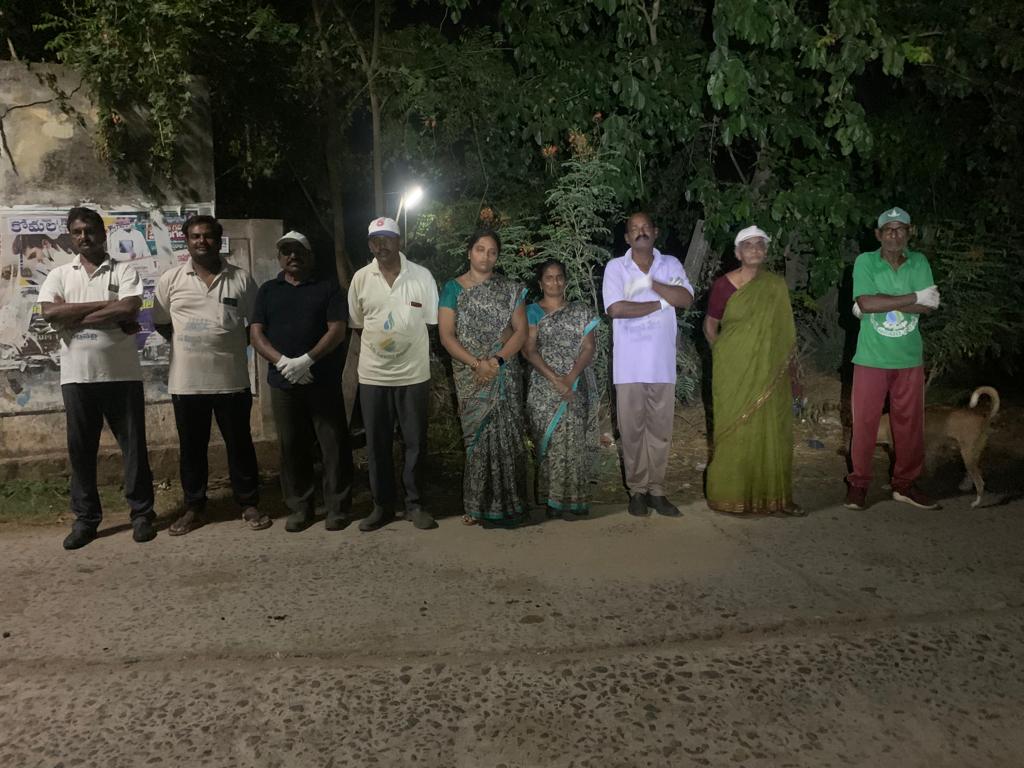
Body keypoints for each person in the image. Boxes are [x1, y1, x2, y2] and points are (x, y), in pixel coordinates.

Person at [38, 207, 156, 549]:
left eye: (89, 230)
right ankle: (86, 519)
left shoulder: (124, 270)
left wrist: (74, 318)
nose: (83, 237)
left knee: (133, 447)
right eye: (77, 232)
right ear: (70, 236)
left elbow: (128, 308)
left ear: (103, 234)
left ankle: (142, 514)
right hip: (77, 378)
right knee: (81, 451)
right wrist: (106, 307)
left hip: (122, 375)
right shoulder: (60, 274)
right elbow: (49, 312)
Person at [152, 215, 270, 534]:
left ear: (219, 241)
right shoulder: (171, 280)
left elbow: (256, 323)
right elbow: (161, 323)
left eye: (207, 236)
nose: (201, 241)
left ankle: (248, 503)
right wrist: (192, 343)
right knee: (192, 449)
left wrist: (226, 343)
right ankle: (194, 508)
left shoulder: (241, 279)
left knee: (240, 444)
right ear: (186, 241)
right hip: (187, 382)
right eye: (195, 236)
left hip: (232, 379)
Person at [250, 230, 354, 532]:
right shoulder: (268, 290)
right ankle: (300, 507)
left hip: (322, 380)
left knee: (333, 444)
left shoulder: (328, 288)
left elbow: (337, 330)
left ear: (310, 256)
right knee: (292, 446)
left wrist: (307, 360)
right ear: (279, 257)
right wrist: (283, 363)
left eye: (299, 251)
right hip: (283, 382)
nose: (293, 256)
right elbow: (256, 333)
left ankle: (337, 507)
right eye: (287, 251)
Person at [702, 226, 804, 516]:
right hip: (733, 372)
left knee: (774, 431)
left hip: (770, 372)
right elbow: (710, 325)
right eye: (748, 245)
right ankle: (730, 496)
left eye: (760, 244)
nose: (755, 249)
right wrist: (724, 355)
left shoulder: (775, 286)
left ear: (766, 251)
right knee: (734, 431)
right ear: (738, 253)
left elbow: (785, 334)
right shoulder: (723, 286)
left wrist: (789, 372)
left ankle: (776, 498)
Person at [347, 217, 439, 531]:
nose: (381, 245)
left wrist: (401, 347)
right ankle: (382, 506)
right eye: (375, 240)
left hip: (413, 374)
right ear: (369, 245)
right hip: (373, 376)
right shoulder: (361, 279)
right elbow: (358, 324)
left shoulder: (422, 277)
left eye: (387, 238)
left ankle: (415, 504)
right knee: (377, 445)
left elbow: (430, 322)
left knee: (415, 443)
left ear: (400, 241)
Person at [845, 207, 940, 510]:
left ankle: (905, 484)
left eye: (900, 229)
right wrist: (914, 297)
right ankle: (858, 484)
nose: (894, 235)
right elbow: (866, 302)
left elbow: (930, 306)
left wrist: (880, 301)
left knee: (909, 425)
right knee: (864, 424)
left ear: (909, 233)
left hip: (909, 358)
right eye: (888, 229)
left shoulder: (919, 262)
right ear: (878, 234)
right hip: (870, 357)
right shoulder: (865, 261)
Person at [602, 212, 694, 517]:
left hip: (662, 364)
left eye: (645, 227)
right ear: (627, 237)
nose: (640, 232)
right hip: (628, 367)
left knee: (660, 431)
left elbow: (685, 298)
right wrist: (662, 301)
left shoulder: (671, 264)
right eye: (634, 229)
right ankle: (637, 491)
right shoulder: (616, 267)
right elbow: (616, 308)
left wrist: (653, 283)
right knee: (631, 431)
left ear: (655, 232)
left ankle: (657, 490)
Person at [438, 227, 529, 527]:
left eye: (492, 252)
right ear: (469, 252)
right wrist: (477, 364)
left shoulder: (510, 289)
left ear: (497, 257)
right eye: (480, 249)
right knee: (476, 441)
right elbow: (446, 336)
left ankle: (511, 504)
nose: (485, 256)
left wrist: (497, 361)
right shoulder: (452, 289)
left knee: (508, 438)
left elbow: (520, 332)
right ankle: (476, 505)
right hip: (470, 373)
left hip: (504, 372)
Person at [523, 259, 600, 520]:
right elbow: (529, 350)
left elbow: (589, 347)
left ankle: (576, 501)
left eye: (559, 277)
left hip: (575, 384)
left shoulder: (581, 311)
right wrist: (556, 380)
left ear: (565, 281)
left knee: (575, 442)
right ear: (540, 282)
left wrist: (571, 377)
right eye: (549, 277)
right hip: (544, 386)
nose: (554, 282)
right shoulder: (532, 312)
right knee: (552, 442)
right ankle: (553, 501)